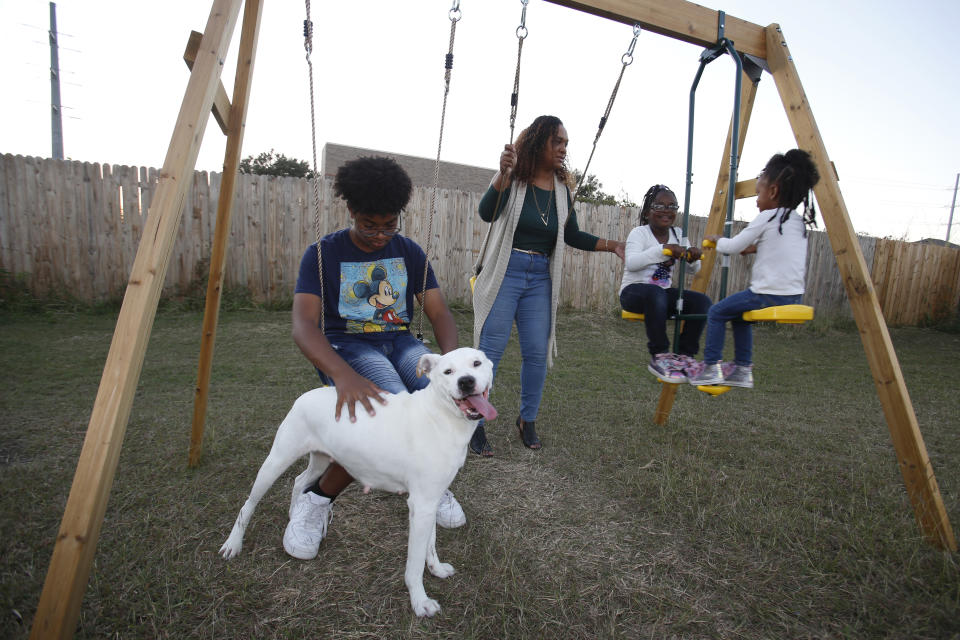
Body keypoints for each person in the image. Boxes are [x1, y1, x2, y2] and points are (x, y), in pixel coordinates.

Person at [286, 155, 466, 561]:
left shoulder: (410, 252)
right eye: (370, 224)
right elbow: (304, 326)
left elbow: (438, 312)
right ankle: (315, 500)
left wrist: (450, 367)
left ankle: (429, 480)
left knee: (438, 396)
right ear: (351, 210)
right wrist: (342, 375)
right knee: (390, 411)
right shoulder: (322, 254)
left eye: (390, 225)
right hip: (349, 347)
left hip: (400, 341)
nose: (381, 235)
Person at [470, 115, 625, 456]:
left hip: (540, 276)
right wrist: (501, 175)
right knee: (489, 353)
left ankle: (528, 420)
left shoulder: (561, 191)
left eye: (566, 143)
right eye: (558, 142)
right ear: (539, 142)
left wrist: (611, 245)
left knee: (537, 353)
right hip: (505, 271)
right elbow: (486, 213)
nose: (563, 149)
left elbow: (571, 234)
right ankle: (474, 423)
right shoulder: (514, 179)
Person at [689, 149, 821, 389]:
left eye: (758, 192)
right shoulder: (796, 221)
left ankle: (710, 368)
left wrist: (717, 240)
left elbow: (731, 247)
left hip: (766, 293)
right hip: (793, 295)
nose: (757, 199)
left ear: (773, 191)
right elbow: (777, 250)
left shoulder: (767, 217)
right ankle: (742, 369)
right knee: (740, 317)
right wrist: (752, 249)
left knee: (717, 312)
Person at [619, 184, 710, 382]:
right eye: (659, 206)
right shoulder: (640, 233)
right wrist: (663, 249)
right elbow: (633, 263)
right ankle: (660, 355)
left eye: (672, 206)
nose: (666, 211)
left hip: (661, 294)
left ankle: (684, 356)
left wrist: (693, 257)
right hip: (633, 292)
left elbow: (695, 270)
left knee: (701, 302)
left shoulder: (678, 234)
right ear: (647, 213)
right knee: (655, 293)